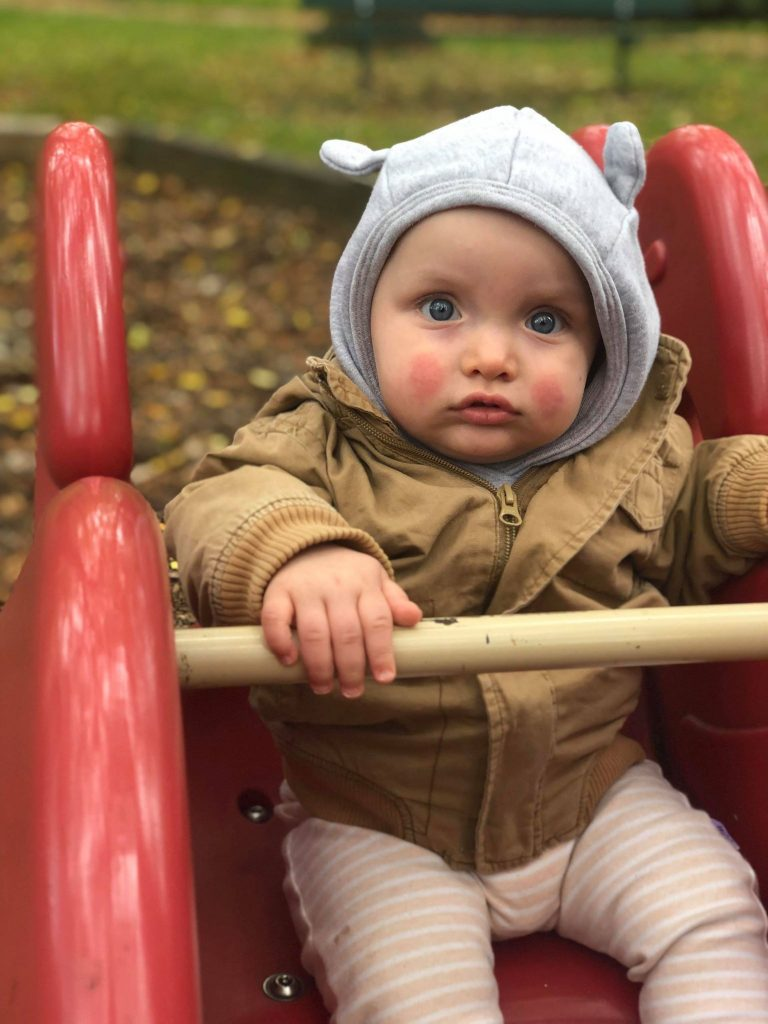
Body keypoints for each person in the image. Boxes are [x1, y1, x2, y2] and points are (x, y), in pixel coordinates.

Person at [165, 107, 768, 1023]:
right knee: (419, 998)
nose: (490, 357)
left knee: (718, 919)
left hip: (589, 797)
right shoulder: (321, 444)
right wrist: (303, 552)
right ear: (366, 314)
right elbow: (221, 501)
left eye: (543, 320)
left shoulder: (630, 460)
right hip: (382, 817)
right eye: (440, 310)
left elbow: (697, 515)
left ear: (606, 349)